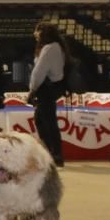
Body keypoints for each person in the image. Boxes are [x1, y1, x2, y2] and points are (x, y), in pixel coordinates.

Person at [28, 21, 68, 167]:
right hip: (54, 87)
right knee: (43, 119)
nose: (35, 34)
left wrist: (32, 89)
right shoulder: (57, 47)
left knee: (46, 121)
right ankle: (52, 152)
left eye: (37, 31)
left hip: (46, 88)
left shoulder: (49, 48)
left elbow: (39, 72)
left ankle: (54, 153)